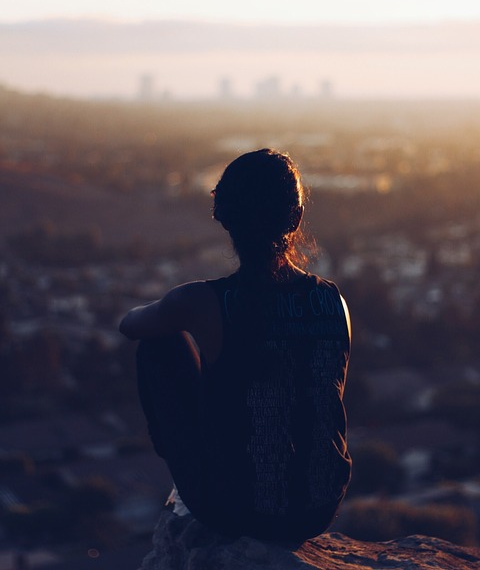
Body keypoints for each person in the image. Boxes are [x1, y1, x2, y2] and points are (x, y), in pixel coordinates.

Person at [119, 148, 351, 544]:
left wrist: (177, 309)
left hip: (234, 510)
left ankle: (189, 480)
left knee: (158, 345)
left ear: (224, 217)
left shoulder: (201, 302)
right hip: (318, 509)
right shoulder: (334, 301)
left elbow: (130, 325)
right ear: (295, 218)